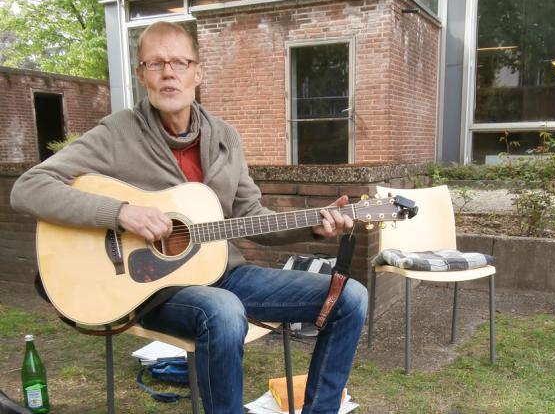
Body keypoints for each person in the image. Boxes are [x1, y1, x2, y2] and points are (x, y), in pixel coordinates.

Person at [10, 21, 368, 414]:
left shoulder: (225, 137)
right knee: (223, 311)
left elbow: (250, 215)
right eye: (155, 63)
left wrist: (313, 225)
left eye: (180, 62)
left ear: (198, 72)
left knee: (350, 297)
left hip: (225, 274)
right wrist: (121, 213)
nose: (168, 72)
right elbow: (29, 187)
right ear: (141, 74)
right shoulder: (118, 133)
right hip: (153, 289)